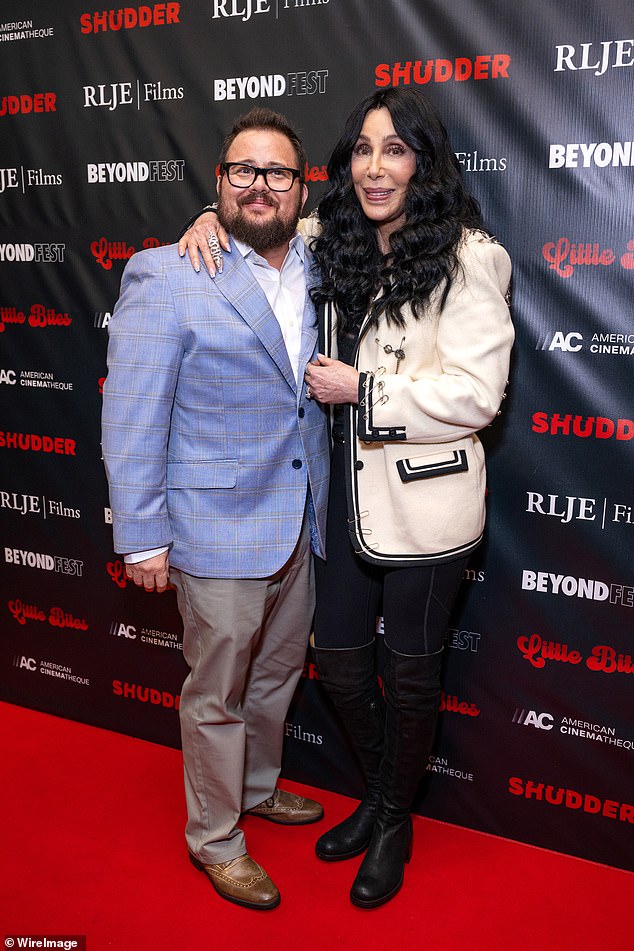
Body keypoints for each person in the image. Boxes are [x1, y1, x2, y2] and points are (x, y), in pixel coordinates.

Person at [179, 87, 514, 909]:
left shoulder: (473, 256)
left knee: (409, 678)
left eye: (394, 150)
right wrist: (206, 216)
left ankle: (393, 819)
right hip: (342, 504)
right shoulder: (335, 237)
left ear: (423, 162)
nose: (373, 167)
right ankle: (381, 791)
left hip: (430, 510)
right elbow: (260, 202)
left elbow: (479, 395)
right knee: (336, 660)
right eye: (361, 150)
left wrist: (364, 387)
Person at [102, 107, 331, 911]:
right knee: (218, 693)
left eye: (277, 172)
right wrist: (142, 538)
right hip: (213, 527)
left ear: (303, 189)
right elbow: (131, 412)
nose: (259, 185)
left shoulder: (319, 260)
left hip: (299, 520)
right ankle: (216, 837)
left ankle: (258, 786)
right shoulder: (167, 273)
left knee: (274, 680)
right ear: (219, 180)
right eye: (243, 170)